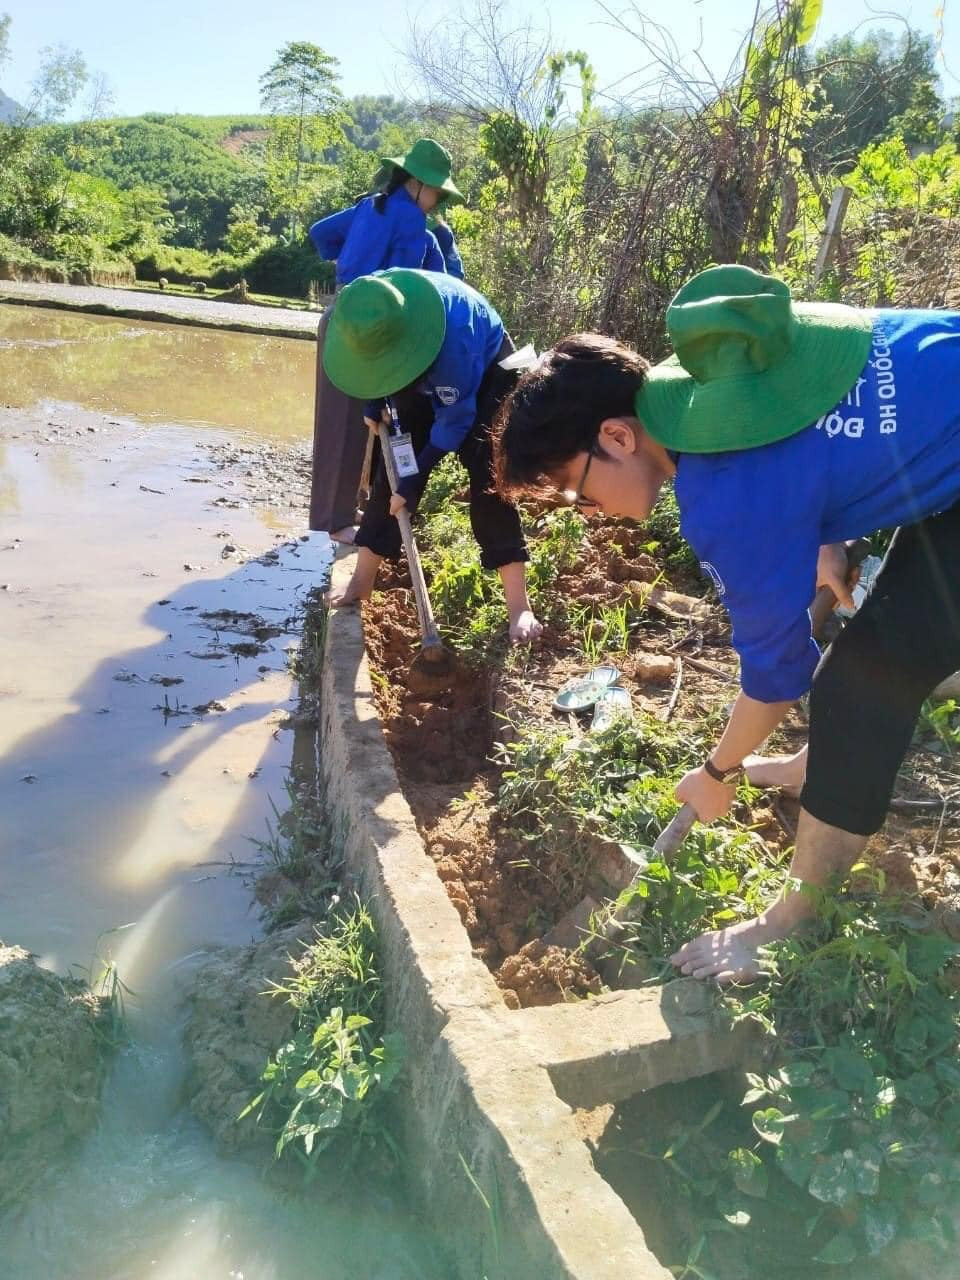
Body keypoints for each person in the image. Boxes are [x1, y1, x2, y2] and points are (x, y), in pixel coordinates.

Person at [491, 263, 960, 981]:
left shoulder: (721, 497)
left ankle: (788, 925)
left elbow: (776, 681)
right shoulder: (705, 383)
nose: (587, 511)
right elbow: (811, 436)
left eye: (575, 490)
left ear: (616, 437)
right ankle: (822, 768)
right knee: (884, 651)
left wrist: (717, 771)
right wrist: (827, 541)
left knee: (859, 690)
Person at [322, 267, 542, 645]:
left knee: (488, 474)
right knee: (394, 472)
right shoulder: (372, 302)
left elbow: (455, 421)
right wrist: (376, 399)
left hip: (485, 367)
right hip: (411, 355)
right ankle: (361, 582)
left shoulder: (455, 343)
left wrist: (418, 473)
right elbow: (376, 363)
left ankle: (519, 607)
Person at [306, 139, 465, 542]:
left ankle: (337, 513)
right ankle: (347, 521)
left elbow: (321, 233)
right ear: (415, 183)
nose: (436, 203)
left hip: (340, 314)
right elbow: (418, 287)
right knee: (375, 415)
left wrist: (351, 260)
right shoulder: (412, 222)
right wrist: (440, 246)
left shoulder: (369, 205)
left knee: (336, 421)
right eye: (436, 193)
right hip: (375, 327)